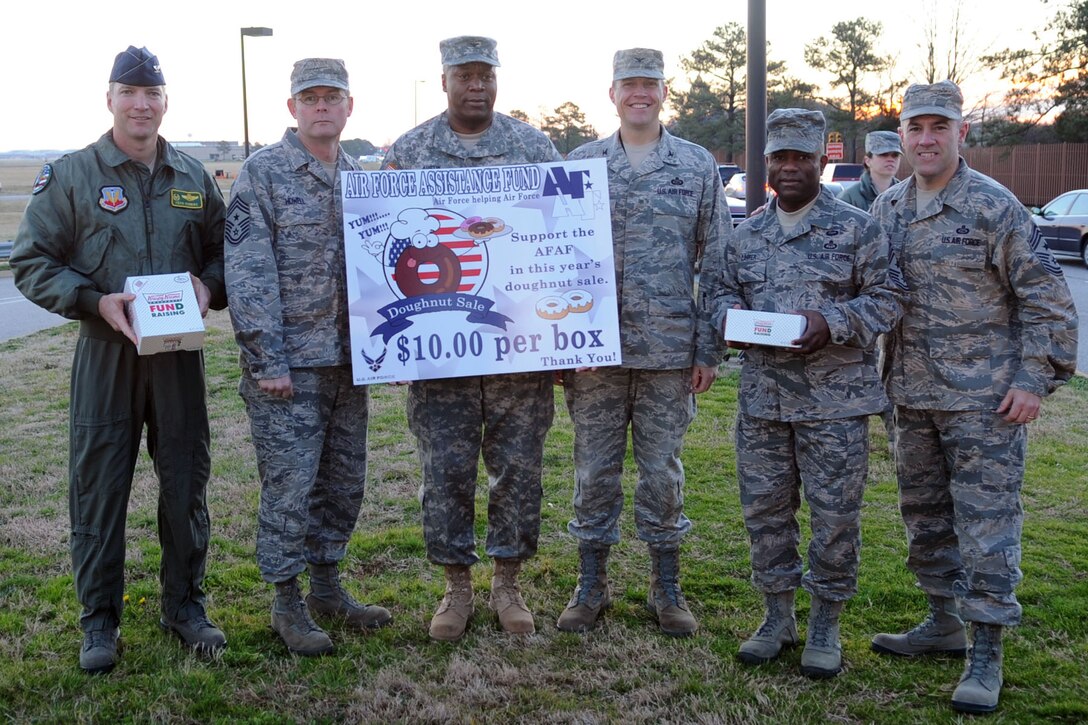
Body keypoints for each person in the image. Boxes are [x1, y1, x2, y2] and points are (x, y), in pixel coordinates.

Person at [10, 46, 227, 673]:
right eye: (128, 93)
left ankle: (186, 607)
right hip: (107, 353)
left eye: (152, 94)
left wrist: (209, 288)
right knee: (99, 490)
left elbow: (222, 253)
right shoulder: (73, 175)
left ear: (165, 102)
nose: (141, 104)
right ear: (110, 100)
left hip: (178, 357)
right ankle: (99, 622)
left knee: (185, 486)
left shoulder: (193, 176)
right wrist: (90, 300)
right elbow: (31, 262)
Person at [868, 81, 1078, 714]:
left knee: (986, 529)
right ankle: (942, 621)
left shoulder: (995, 207)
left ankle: (986, 651)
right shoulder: (889, 208)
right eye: (915, 128)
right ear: (900, 137)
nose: (926, 138)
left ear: (963, 133)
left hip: (985, 403)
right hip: (911, 397)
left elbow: (1048, 301)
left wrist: (1032, 379)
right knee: (926, 520)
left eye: (940, 126)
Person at [709, 109, 904, 678]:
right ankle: (777, 617)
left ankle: (825, 622)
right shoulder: (746, 235)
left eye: (802, 157)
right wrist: (728, 322)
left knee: (835, 516)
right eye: (780, 158)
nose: (790, 168)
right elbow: (718, 295)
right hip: (763, 404)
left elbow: (889, 299)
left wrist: (833, 320)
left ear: (825, 161)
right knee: (766, 514)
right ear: (767, 163)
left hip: (835, 407)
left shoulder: (858, 228)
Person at [381, 36, 562, 641]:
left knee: (518, 469)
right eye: (464, 75)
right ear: (444, 81)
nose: (476, 85)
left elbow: (561, 240)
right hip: (441, 349)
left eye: (485, 74)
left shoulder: (534, 148)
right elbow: (384, 244)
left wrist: (566, 336)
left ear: (496, 80)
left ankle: (507, 584)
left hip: (518, 346)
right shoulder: (409, 152)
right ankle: (455, 589)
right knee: (446, 470)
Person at [554, 48, 728, 637]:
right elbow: (552, 261)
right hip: (593, 351)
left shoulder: (696, 165)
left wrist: (709, 349)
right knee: (594, 471)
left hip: (668, 352)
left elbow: (719, 263)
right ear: (612, 93)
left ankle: (666, 586)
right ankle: (591, 585)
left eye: (649, 84)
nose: (639, 94)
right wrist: (558, 346)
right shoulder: (580, 164)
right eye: (629, 84)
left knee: (661, 472)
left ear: (663, 91)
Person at [226, 58, 391, 657]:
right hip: (289, 368)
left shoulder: (365, 180)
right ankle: (286, 602)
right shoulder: (263, 173)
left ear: (350, 107)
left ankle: (327, 587)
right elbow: (247, 272)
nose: (322, 107)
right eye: (310, 98)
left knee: (343, 482)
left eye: (332, 97)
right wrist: (266, 359)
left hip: (354, 361)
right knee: (290, 486)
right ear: (292, 108)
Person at [838, 130, 902, 212]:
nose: (890, 159)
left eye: (895, 155)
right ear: (867, 161)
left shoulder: (906, 195)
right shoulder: (848, 199)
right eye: (883, 154)